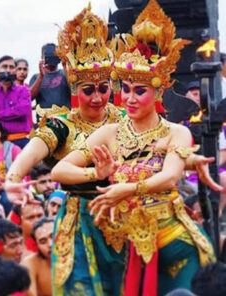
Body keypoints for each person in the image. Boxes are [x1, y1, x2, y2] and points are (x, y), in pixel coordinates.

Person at [51, 1, 216, 295]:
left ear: (159, 91)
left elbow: (168, 177)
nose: (129, 98)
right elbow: (60, 170)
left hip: (173, 241)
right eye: (125, 89)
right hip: (127, 248)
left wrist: (127, 189)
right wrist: (96, 174)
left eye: (140, 91)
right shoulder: (110, 132)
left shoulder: (176, 133)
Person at [5, 5, 127, 296]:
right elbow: (34, 150)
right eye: (88, 90)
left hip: (123, 215)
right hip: (80, 220)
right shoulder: (63, 124)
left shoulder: (125, 120)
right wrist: (13, 177)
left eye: (103, 88)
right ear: (75, 88)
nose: (97, 97)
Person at [0, 55, 32, 148]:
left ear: (15, 70)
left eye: (11, 67)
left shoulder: (23, 90)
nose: (8, 70)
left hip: (19, 139)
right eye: (4, 66)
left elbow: (22, 110)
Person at [29, 43, 71, 117]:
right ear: (42, 57)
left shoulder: (65, 74)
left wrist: (65, 65)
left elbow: (75, 91)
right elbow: (29, 98)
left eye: (54, 55)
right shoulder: (36, 77)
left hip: (64, 120)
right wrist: (41, 76)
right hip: (43, 122)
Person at [21, 218, 54, 296]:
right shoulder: (30, 264)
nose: (50, 244)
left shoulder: (78, 255)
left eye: (53, 236)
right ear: (37, 246)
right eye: (43, 241)